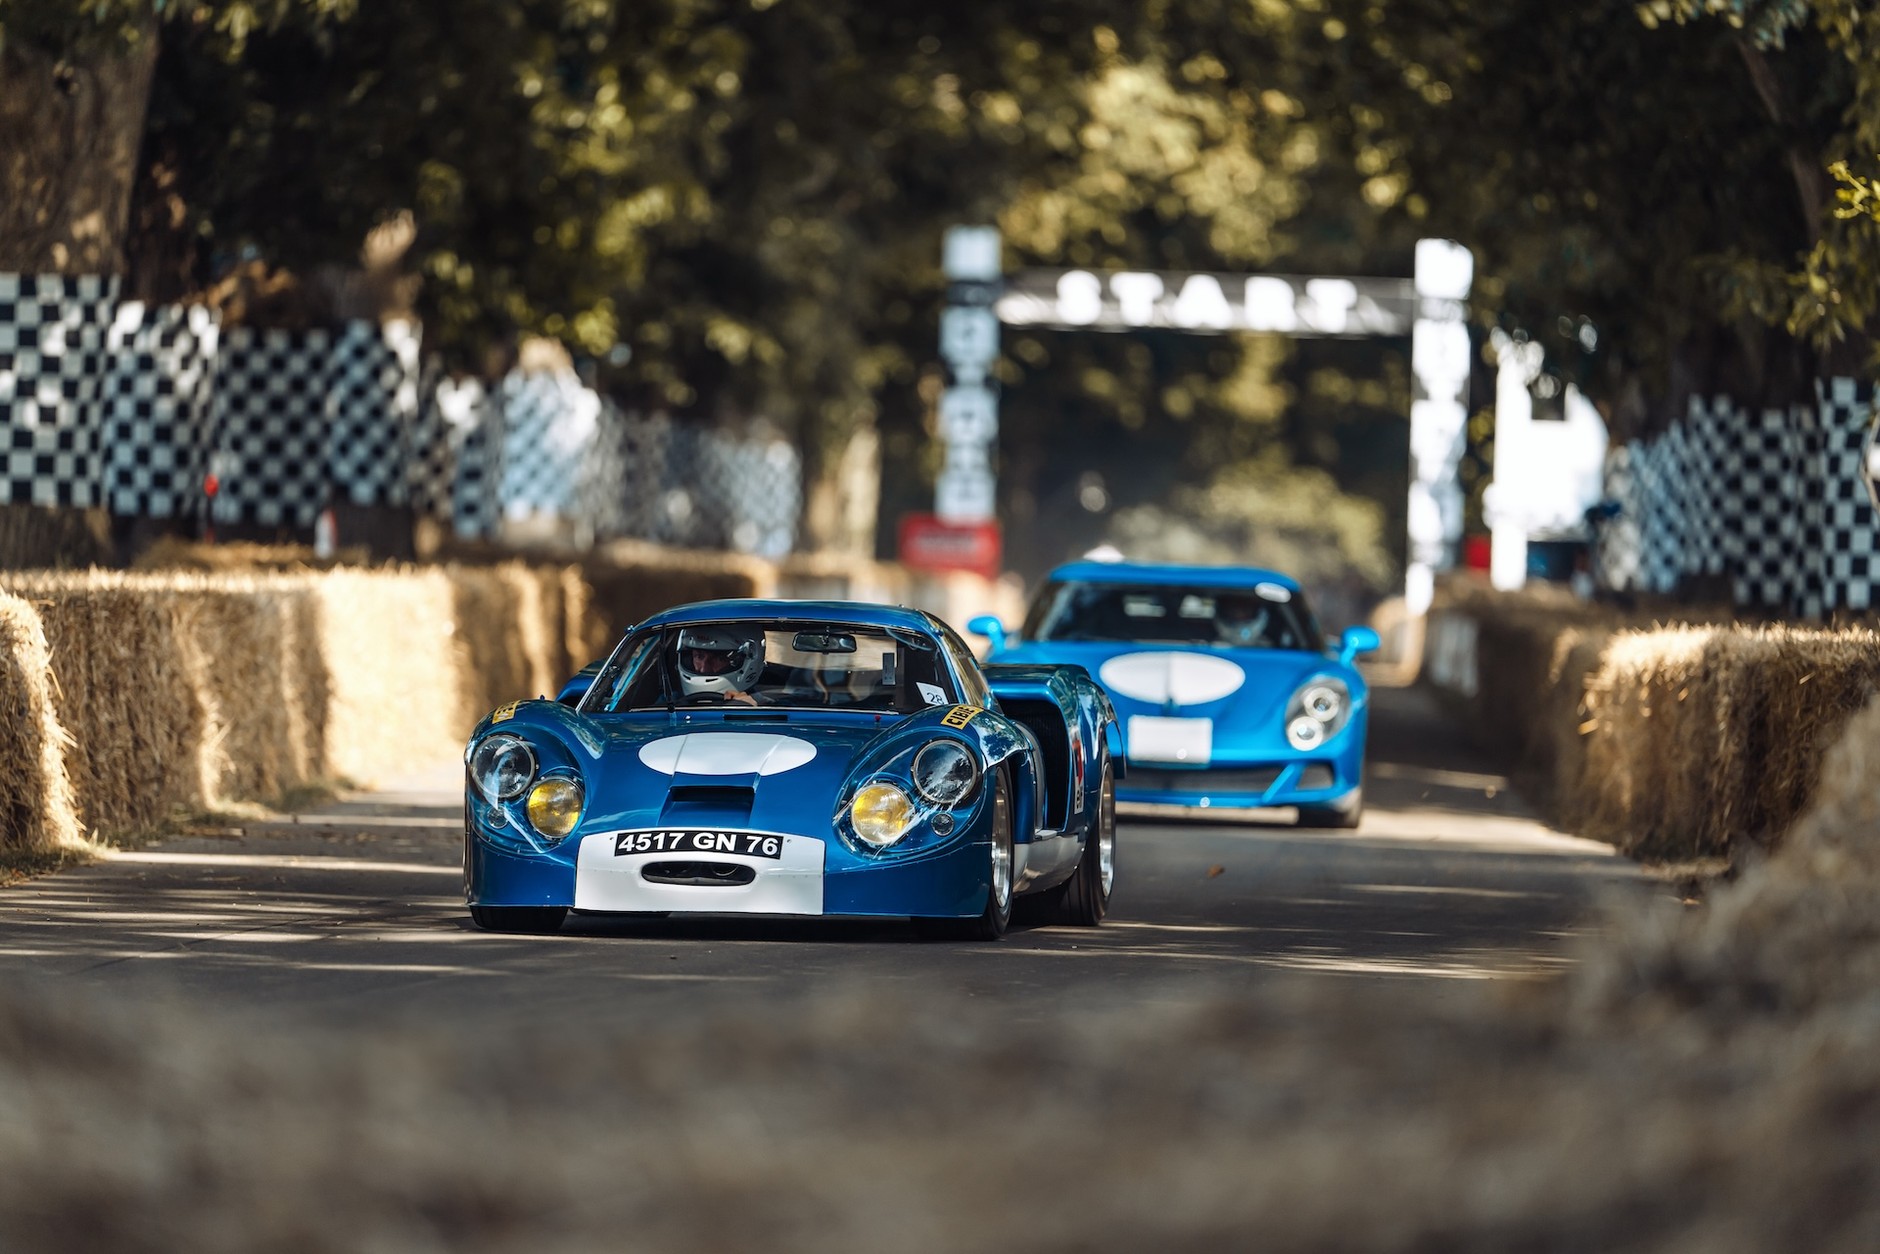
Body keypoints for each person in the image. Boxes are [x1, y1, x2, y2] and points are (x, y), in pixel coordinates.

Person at [676, 625, 767, 705]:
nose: (704, 669)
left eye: (719, 659)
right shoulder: (668, 703)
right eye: (699, 656)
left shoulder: (770, 710)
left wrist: (750, 715)